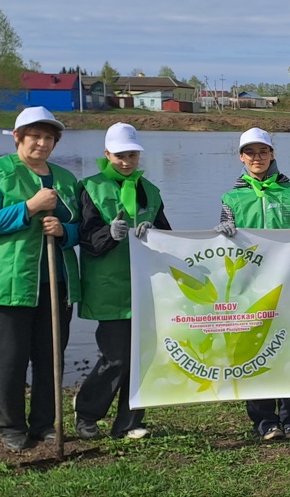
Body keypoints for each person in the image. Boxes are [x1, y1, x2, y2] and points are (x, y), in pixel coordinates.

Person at [213, 127, 290, 441]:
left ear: (272, 154)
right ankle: (264, 420)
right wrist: (220, 232)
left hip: (289, 286)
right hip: (249, 288)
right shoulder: (231, 198)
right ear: (241, 157)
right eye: (250, 153)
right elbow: (222, 249)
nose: (257, 158)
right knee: (253, 351)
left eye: (263, 152)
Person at [73, 123, 171, 440]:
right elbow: (86, 239)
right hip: (109, 285)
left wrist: (154, 235)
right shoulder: (90, 187)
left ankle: (129, 422)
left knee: (142, 355)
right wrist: (110, 235)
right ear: (107, 154)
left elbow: (169, 238)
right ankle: (86, 412)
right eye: (119, 156)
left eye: (131, 155)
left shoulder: (150, 191)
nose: (126, 162)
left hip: (145, 287)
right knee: (115, 356)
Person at [0, 107, 80, 452]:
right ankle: (10, 425)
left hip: (57, 282)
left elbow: (82, 228)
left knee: (51, 356)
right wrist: (29, 208)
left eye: (49, 138)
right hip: (14, 282)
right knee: (11, 357)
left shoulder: (65, 178)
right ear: (17, 137)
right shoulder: (3, 173)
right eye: (35, 136)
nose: (42, 143)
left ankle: (44, 423)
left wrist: (65, 231)